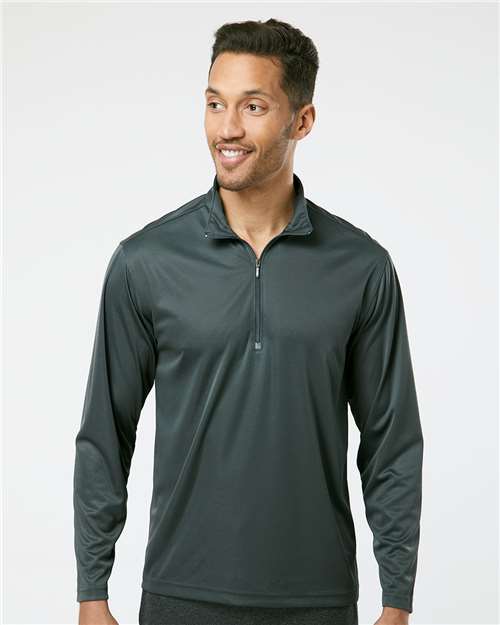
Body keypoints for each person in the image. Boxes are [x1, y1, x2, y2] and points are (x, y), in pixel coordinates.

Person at [73, 17, 424, 625]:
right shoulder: (145, 261)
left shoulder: (361, 267)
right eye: (215, 104)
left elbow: (391, 444)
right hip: (181, 595)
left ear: (302, 121)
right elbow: (105, 434)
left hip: (317, 600)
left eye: (253, 106)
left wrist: (397, 600)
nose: (227, 128)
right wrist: (91, 592)